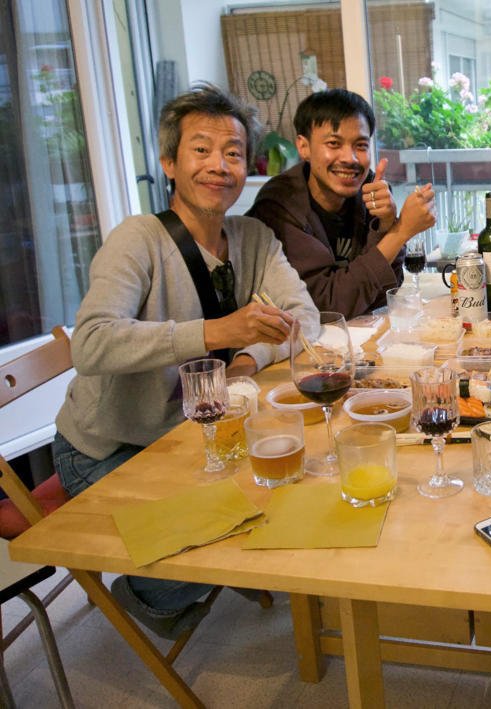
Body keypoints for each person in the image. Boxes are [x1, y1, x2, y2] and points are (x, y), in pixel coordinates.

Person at [53, 83, 319, 639]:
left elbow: (306, 319)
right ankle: (149, 592)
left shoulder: (253, 237)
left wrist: (246, 359)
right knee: (231, 529)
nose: (219, 166)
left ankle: (208, 557)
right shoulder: (137, 240)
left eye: (233, 153)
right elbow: (92, 343)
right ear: (169, 161)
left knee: (297, 485)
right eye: (201, 150)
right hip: (114, 445)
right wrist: (216, 331)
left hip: (194, 435)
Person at [247, 88, 436, 318]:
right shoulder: (281, 206)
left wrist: (385, 225)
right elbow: (326, 306)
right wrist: (399, 232)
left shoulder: (366, 190)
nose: (350, 159)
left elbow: (384, 290)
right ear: (304, 146)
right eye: (334, 144)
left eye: (361, 145)